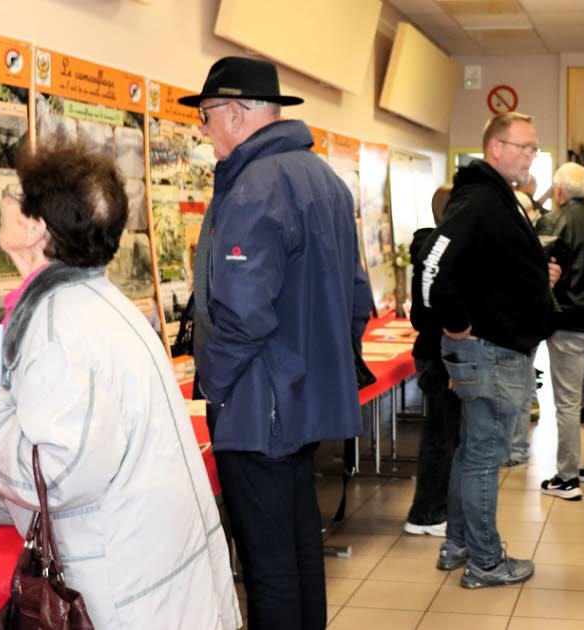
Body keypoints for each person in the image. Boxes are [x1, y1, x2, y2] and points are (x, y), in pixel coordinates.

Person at [0, 143, 240, 629]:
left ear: (37, 228)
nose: (5, 200)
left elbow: (58, 475)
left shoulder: (60, 326)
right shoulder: (95, 303)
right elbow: (74, 440)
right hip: (152, 570)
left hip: (125, 591)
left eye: (17, 194)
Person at [181, 57, 372, 629]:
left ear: (237, 114)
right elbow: (357, 299)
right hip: (300, 406)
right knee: (300, 550)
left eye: (208, 115)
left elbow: (243, 316)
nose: (205, 128)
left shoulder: (253, 188)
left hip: (256, 408)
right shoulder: (326, 181)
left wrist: (212, 384)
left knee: (267, 569)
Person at [416, 111, 559, 588]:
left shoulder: (496, 197)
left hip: (495, 348)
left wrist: (538, 276)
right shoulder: (479, 198)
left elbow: (488, 267)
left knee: (470, 452)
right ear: (495, 148)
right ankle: (485, 560)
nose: (532, 155)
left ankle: (458, 544)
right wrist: (455, 323)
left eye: (535, 147)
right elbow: (433, 266)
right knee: (483, 457)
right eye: (525, 146)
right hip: (492, 352)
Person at [540, 163, 584, 501]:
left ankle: (567, 477)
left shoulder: (555, 221)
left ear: (559, 191)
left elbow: (541, 271)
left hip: (567, 322)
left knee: (567, 402)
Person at [403, 184, 460, 537]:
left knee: (443, 434)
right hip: (438, 353)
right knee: (441, 436)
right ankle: (426, 513)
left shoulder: (433, 251)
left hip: (433, 352)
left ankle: (434, 508)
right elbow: (427, 314)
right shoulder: (435, 255)